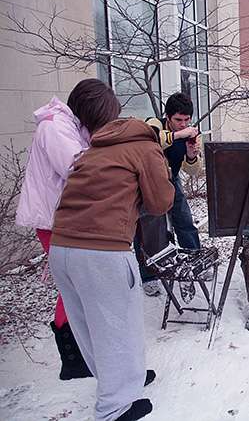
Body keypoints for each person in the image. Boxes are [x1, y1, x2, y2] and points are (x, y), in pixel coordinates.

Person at [48, 80, 174, 421]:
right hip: (101, 252)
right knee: (120, 325)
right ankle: (113, 408)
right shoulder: (144, 148)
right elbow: (161, 203)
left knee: (90, 326)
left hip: (61, 247)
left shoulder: (93, 149)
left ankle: (122, 381)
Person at [15, 81, 117, 381]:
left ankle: (78, 357)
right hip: (53, 219)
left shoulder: (71, 127)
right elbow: (79, 169)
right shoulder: (55, 126)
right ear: (91, 110)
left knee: (73, 285)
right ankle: (73, 358)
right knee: (73, 285)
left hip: (64, 216)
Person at [142, 92, 202, 295]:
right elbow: (150, 141)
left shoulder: (192, 133)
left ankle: (195, 261)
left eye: (187, 120)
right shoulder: (155, 124)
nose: (183, 124)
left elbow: (193, 170)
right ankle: (148, 275)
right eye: (178, 120)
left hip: (171, 179)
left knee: (184, 220)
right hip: (147, 181)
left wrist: (192, 156)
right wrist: (178, 136)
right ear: (168, 117)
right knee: (148, 228)